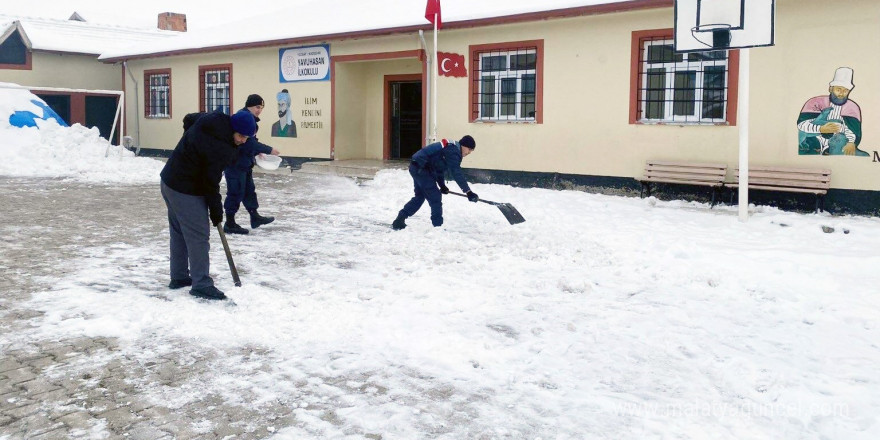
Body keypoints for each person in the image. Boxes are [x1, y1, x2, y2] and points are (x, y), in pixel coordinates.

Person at [160, 110, 256, 300]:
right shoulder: (219, 147)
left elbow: (188, 118)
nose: (243, 140)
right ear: (232, 130)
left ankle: (179, 277)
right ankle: (201, 284)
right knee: (198, 236)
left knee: (179, 231)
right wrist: (216, 212)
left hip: (169, 180)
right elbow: (210, 183)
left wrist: (190, 145)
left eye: (247, 137)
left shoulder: (213, 120)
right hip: (185, 188)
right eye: (241, 136)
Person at [222, 94, 281, 235]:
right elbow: (248, 142)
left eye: (261, 108)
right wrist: (269, 149)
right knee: (235, 192)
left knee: (249, 190)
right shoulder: (242, 118)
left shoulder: (250, 119)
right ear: (249, 106)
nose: (259, 110)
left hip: (245, 162)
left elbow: (249, 141)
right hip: (235, 163)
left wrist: (256, 153)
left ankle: (255, 217)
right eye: (257, 107)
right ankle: (229, 223)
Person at [392, 135, 478, 230]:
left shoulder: (451, 148)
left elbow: (439, 169)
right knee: (435, 196)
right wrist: (468, 192)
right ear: (463, 145)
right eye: (469, 149)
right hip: (421, 168)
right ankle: (438, 226)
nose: (469, 152)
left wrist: (442, 185)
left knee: (420, 197)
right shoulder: (453, 151)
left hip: (417, 166)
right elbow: (456, 173)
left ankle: (400, 219)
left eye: (471, 150)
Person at [797, 67, 867, 156]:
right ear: (831, 89)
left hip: (838, 145)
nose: (842, 93)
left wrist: (851, 142)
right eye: (838, 89)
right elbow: (801, 125)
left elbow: (852, 130)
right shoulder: (814, 102)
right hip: (812, 143)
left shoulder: (852, 108)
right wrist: (821, 129)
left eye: (845, 90)